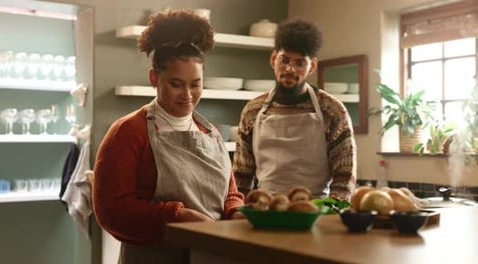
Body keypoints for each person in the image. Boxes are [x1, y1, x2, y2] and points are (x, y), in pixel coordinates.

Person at [92, 9, 244, 264]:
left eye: (195, 84)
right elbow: (111, 210)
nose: (187, 94)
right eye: (176, 84)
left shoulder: (210, 133)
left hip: (210, 255)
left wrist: (236, 211)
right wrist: (176, 217)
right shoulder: (128, 132)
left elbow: (230, 193)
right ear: (154, 78)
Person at [233, 18, 356, 200]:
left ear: (312, 66)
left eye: (300, 63)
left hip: (316, 213)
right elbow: (241, 177)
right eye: (284, 60)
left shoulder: (332, 110)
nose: (290, 69)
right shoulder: (253, 110)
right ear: (274, 59)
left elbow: (345, 178)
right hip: (265, 211)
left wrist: (329, 212)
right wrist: (239, 212)